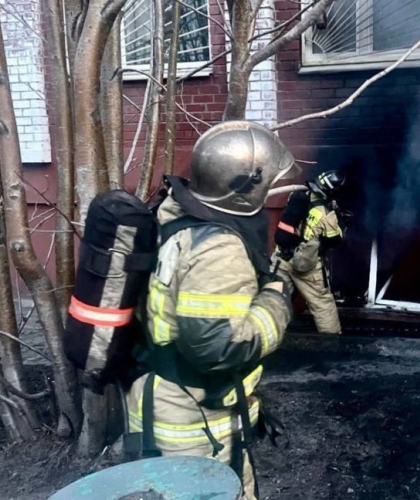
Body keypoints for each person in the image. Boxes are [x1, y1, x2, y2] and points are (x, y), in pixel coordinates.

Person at [125, 121, 294, 500]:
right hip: (194, 420)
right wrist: (276, 299)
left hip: (165, 398)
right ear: (245, 189)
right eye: (266, 183)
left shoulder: (177, 215)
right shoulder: (219, 248)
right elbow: (217, 348)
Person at [272, 171, 348, 335]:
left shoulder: (297, 196)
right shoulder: (326, 214)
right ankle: (331, 342)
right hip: (305, 265)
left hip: (281, 258)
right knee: (322, 303)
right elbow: (333, 239)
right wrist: (342, 223)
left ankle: (268, 337)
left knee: (274, 298)